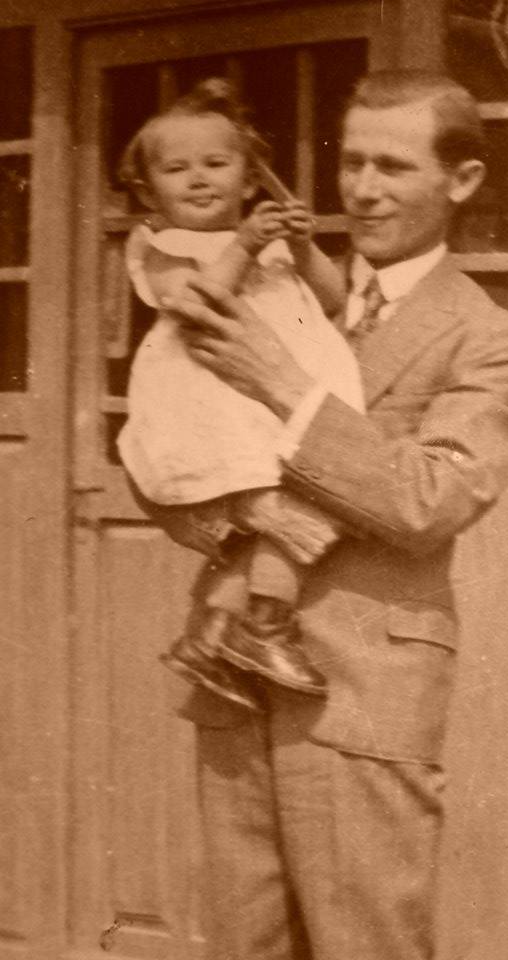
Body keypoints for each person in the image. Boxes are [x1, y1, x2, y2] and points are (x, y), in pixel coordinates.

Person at [135, 70, 508, 960]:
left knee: (365, 945)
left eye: (394, 166)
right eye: (352, 163)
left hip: (363, 696)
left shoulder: (486, 335)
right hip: (232, 675)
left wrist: (283, 385)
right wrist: (230, 517)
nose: (363, 189)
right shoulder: (268, 286)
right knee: (245, 944)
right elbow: (164, 452)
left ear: (462, 179)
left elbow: (430, 500)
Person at [117, 78, 364, 703]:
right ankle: (265, 626)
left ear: (252, 180)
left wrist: (301, 247)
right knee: (297, 516)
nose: (198, 179)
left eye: (215, 163)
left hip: (267, 409)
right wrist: (247, 243)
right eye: (176, 169)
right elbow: (197, 304)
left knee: (268, 528)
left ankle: (208, 638)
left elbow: (332, 300)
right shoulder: (163, 248)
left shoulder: (274, 250)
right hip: (211, 413)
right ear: (148, 190)